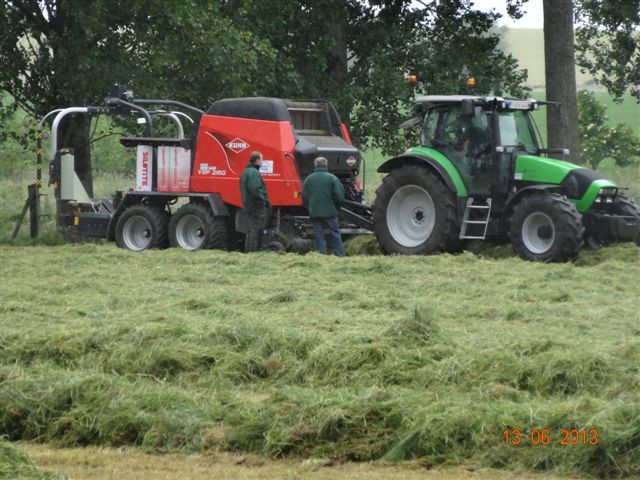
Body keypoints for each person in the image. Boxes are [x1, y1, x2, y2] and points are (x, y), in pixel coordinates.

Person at [302, 156, 346, 257]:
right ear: (326, 165)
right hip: (330, 212)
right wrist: (336, 207)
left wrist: (310, 206)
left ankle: (322, 254)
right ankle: (340, 254)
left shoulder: (309, 179)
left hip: (315, 212)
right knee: (335, 233)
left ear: (315, 165)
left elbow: (304, 196)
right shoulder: (332, 178)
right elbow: (339, 197)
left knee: (319, 234)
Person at [239, 151, 270, 252]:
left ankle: (248, 250)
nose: (263, 161)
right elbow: (255, 190)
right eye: (261, 159)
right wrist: (264, 201)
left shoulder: (245, 171)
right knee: (256, 229)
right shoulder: (254, 173)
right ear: (257, 160)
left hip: (248, 205)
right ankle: (253, 251)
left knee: (250, 229)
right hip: (256, 205)